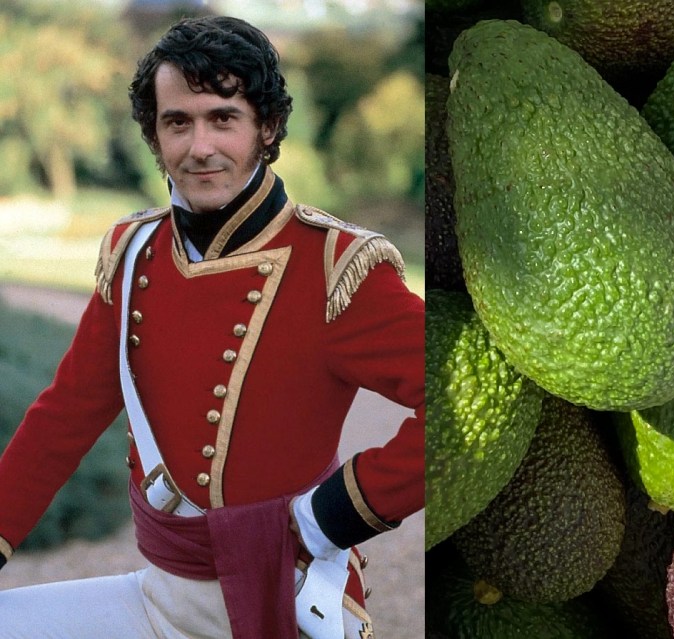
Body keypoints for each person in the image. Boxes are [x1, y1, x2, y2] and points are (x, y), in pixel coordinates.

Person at [0, 15, 423, 639]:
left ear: (267, 127)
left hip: (284, 599)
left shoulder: (335, 268)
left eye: (222, 118)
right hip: (158, 597)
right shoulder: (133, 252)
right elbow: (66, 415)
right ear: (155, 136)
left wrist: (326, 517)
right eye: (178, 122)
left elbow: (457, 407)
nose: (200, 146)